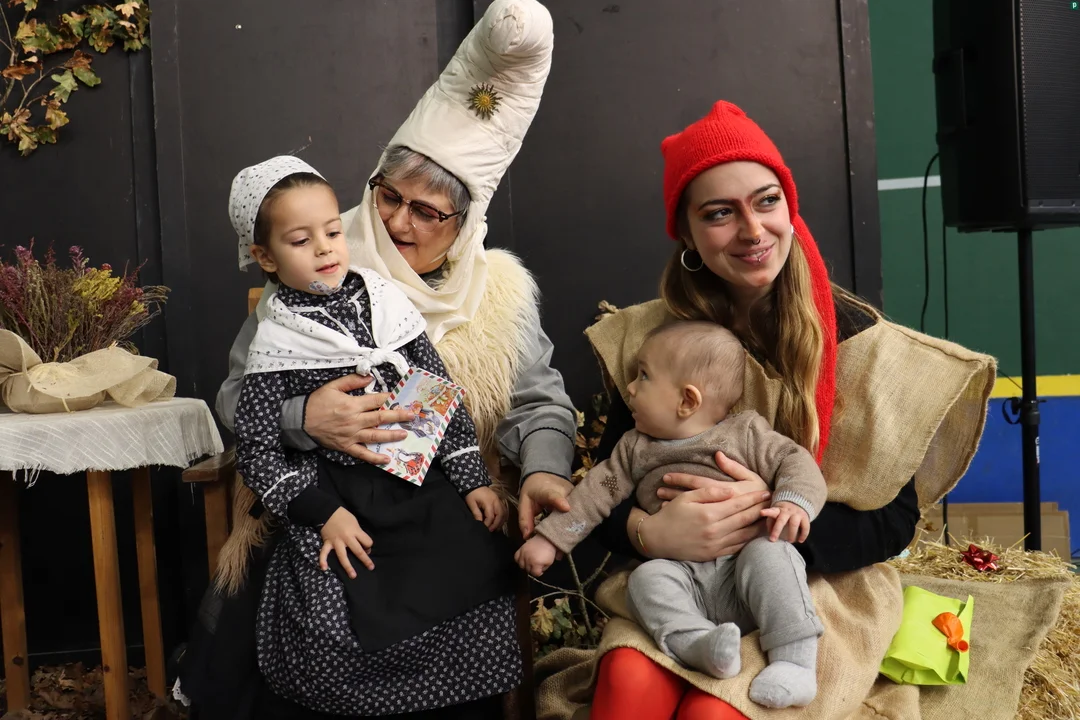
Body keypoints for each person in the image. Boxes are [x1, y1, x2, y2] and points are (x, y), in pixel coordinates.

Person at [176, 2, 579, 719]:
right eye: (388, 196)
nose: (396, 221)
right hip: (321, 497)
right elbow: (239, 397)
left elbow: (540, 404)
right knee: (321, 587)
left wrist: (543, 469)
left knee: (463, 562)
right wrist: (305, 417)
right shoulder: (316, 267)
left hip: (434, 495)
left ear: (465, 222)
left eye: (428, 211)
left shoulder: (499, 293)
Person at [530, 100, 994, 720]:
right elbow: (613, 482)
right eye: (720, 213)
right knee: (627, 685)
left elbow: (894, 520)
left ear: (789, 207)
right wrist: (649, 531)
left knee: (716, 712)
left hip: (816, 582)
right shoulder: (657, 343)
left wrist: (769, 518)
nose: (752, 230)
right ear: (688, 234)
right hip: (679, 575)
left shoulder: (861, 344)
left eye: (767, 201)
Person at [229, 155, 514, 696]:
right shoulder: (276, 338)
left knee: (472, 556)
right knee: (338, 589)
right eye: (301, 240)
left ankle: (458, 703)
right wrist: (322, 512)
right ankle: (367, 702)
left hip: (414, 475)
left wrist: (471, 478)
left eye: (333, 231)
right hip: (334, 494)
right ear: (264, 256)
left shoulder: (384, 301)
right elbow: (257, 449)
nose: (324, 249)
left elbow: (437, 392)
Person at [516, 321, 827, 709]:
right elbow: (594, 494)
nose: (630, 388)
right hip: (682, 575)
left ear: (687, 401)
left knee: (773, 554)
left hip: (744, 570)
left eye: (643, 376)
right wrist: (551, 539)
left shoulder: (745, 433)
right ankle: (698, 643)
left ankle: (794, 661)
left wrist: (793, 503)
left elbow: (794, 460)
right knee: (646, 579)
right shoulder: (634, 449)